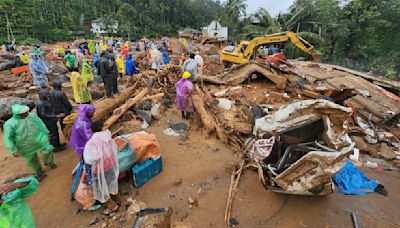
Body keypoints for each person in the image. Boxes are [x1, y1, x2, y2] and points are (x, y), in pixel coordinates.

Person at [3, 104, 56, 180]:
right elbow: (8, 138)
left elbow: (40, 124)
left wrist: (46, 132)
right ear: (17, 114)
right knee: (31, 158)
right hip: (24, 145)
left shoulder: (32, 116)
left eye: (27, 112)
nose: (26, 114)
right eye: (24, 113)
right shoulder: (9, 124)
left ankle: (49, 162)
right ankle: (38, 170)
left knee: (48, 149)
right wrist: (13, 150)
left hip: (38, 138)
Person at [83, 121, 119, 203]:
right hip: (110, 164)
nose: (106, 126)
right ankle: (114, 194)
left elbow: (90, 158)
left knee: (101, 185)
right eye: (104, 126)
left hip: (100, 167)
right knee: (109, 180)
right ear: (101, 129)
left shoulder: (92, 142)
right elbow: (114, 148)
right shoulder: (107, 135)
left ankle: (108, 202)